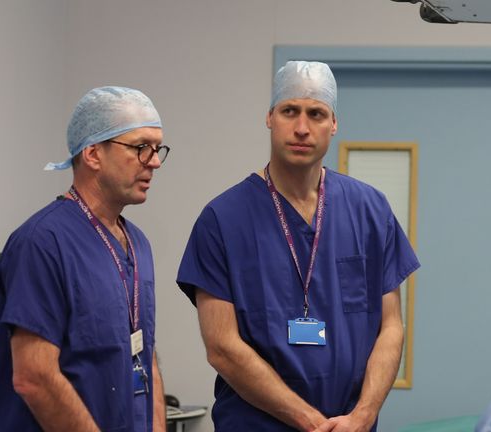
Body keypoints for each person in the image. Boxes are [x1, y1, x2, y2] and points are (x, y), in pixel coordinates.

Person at [177, 61, 420, 432]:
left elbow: (391, 327)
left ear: (334, 123)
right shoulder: (222, 220)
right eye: (290, 111)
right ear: (270, 117)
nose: (302, 128)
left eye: (316, 114)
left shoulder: (371, 211)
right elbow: (222, 347)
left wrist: (363, 415)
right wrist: (310, 422)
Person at [0, 86, 169, 431]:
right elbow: (34, 376)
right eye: (141, 147)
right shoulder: (42, 243)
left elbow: (145, 353)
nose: (155, 161)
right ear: (93, 154)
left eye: (157, 148)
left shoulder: (138, 244)